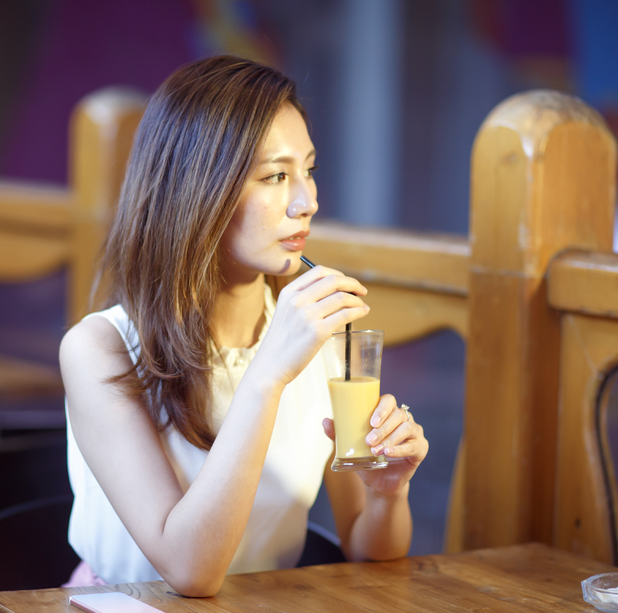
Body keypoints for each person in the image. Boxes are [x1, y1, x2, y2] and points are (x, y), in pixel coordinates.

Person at [59, 55, 429, 597]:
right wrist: (267, 375)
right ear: (197, 189)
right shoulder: (99, 349)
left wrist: (388, 493)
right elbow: (189, 572)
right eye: (277, 176)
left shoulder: (320, 341)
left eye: (309, 171)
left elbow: (365, 550)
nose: (307, 202)